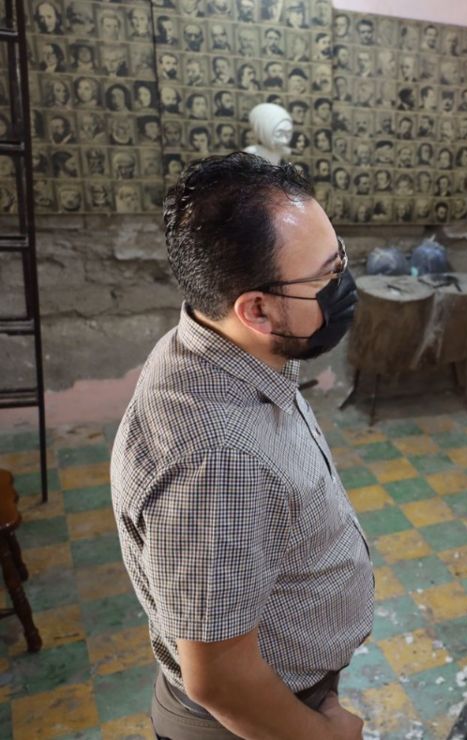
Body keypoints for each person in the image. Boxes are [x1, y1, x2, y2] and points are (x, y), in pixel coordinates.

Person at [111, 154, 371, 739]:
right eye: (326, 276)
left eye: (341, 261)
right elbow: (222, 678)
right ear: (255, 309)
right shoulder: (218, 458)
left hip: (285, 688)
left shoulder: (218, 347)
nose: (344, 286)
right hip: (254, 715)